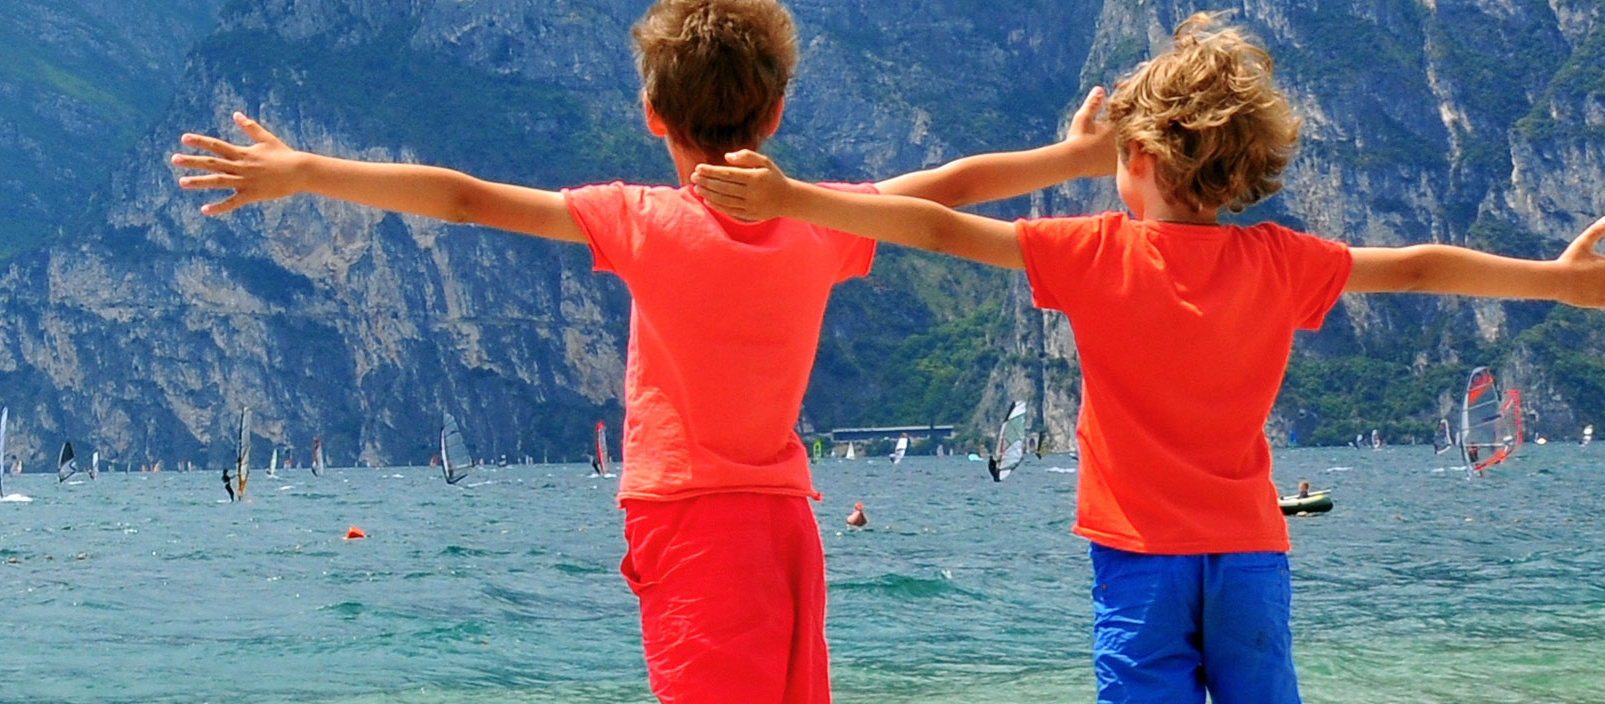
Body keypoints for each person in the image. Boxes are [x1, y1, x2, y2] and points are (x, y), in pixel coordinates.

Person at [687, 13, 1605, 703]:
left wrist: (795, 202)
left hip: (1138, 559)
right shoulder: (1279, 260)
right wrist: (1557, 281)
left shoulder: (1088, 251)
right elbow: (1419, 267)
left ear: (1139, 160)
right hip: (1248, 552)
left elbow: (936, 228)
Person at [165, 1, 1116, 700]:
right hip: (789, 527)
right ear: (776, 114)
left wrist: (305, 172)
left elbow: (462, 196)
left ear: (653, 113)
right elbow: (950, 185)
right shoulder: (816, 224)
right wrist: (1072, 160)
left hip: (690, 528)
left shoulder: (641, 222)